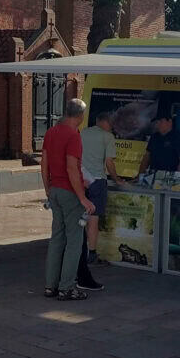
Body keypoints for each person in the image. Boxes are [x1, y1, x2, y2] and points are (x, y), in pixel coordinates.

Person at [41, 98, 96, 301]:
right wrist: (82, 197)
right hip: (70, 192)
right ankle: (67, 287)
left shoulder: (51, 132)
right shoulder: (73, 136)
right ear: (80, 116)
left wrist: (48, 188)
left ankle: (50, 285)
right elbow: (72, 167)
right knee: (74, 240)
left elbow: (44, 163)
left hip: (55, 189)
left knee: (57, 238)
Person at [78, 112, 127, 285]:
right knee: (94, 217)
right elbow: (109, 162)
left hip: (81, 180)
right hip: (98, 181)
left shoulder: (82, 133)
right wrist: (116, 179)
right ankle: (91, 252)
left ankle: (79, 250)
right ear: (105, 122)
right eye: (111, 124)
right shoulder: (107, 137)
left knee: (81, 216)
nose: (112, 127)